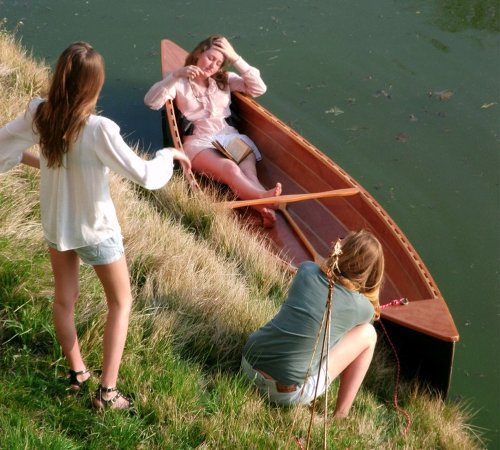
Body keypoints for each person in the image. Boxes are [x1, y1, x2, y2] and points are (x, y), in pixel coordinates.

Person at [0, 42, 192, 410]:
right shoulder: (99, 128)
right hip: (96, 230)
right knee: (121, 302)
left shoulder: (40, 113)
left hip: (58, 225)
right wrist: (168, 155)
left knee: (63, 300)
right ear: (93, 85)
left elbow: (1, 146)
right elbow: (145, 176)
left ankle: (78, 374)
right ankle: (107, 393)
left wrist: (43, 165)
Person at [241, 230, 383, 418]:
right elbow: (362, 315)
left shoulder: (306, 270)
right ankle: (341, 414)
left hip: (247, 364)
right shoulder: (363, 309)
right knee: (368, 334)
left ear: (340, 250)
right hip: (285, 394)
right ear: (371, 273)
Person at [144, 35, 282, 228]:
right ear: (199, 53)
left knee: (249, 172)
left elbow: (259, 88)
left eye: (218, 62)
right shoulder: (180, 82)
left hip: (229, 136)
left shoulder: (225, 80)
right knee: (230, 168)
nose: (213, 65)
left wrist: (234, 57)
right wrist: (174, 76)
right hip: (199, 141)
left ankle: (264, 208)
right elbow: (151, 102)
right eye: (210, 58)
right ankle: (264, 199)